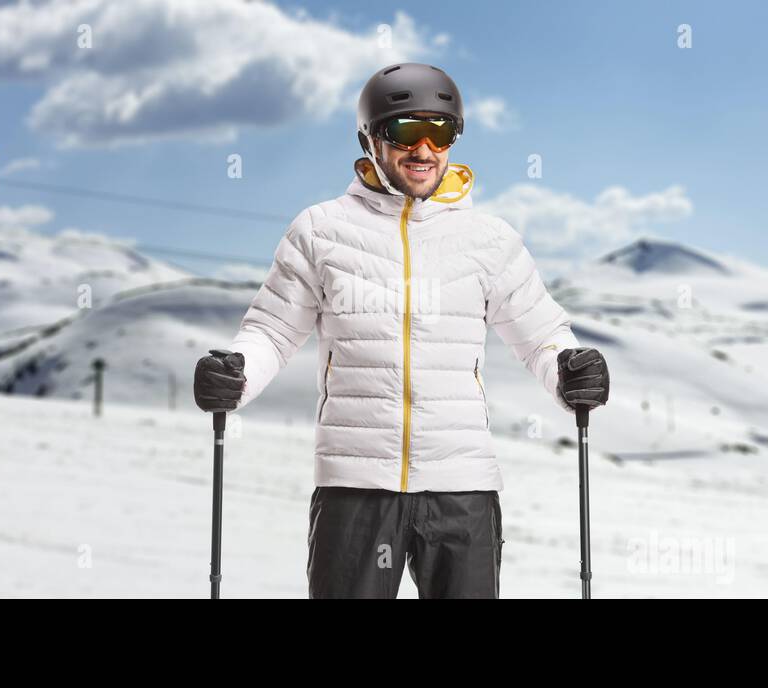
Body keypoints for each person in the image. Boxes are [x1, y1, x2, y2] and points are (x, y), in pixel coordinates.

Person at [194, 63, 608, 598]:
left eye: (440, 132)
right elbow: (272, 330)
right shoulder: (321, 231)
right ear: (370, 138)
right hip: (356, 487)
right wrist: (236, 374)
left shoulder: (489, 240)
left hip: (461, 487)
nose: (424, 149)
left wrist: (571, 370)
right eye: (406, 130)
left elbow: (542, 334)